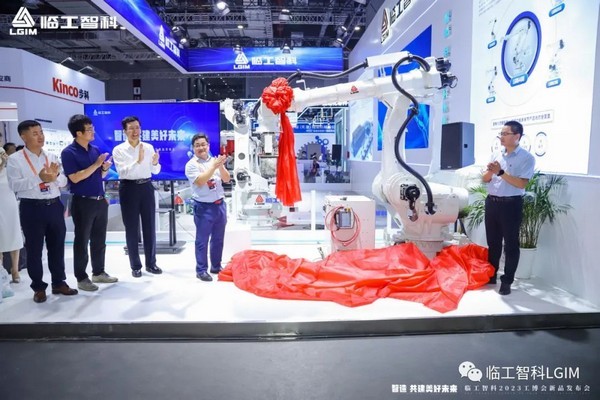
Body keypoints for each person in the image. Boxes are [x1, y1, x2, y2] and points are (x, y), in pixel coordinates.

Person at [6, 120, 78, 303]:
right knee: (34, 250)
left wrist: (55, 177)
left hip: (54, 205)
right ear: (24, 137)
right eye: (35, 133)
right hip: (32, 208)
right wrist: (39, 178)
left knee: (57, 247)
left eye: (41, 132)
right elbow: (14, 185)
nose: (40, 136)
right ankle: (38, 287)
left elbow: (63, 182)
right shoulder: (15, 159)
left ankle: (59, 282)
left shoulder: (51, 156)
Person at [61, 114, 118, 292]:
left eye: (92, 128)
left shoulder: (94, 150)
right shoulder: (68, 153)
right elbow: (75, 178)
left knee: (99, 239)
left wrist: (104, 168)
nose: (93, 132)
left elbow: (99, 176)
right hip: (83, 201)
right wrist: (96, 165)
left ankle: (98, 272)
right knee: (82, 240)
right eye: (89, 129)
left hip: (99, 200)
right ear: (78, 133)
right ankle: (81, 277)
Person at [482, 120, 535, 295]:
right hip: (492, 202)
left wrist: (500, 172)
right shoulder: (496, 154)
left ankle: (507, 281)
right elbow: (485, 179)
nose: (501, 137)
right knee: (493, 242)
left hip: (511, 204)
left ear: (517, 136)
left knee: (511, 244)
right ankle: (491, 275)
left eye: (505, 134)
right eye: (501, 134)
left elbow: (521, 184)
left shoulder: (527, 158)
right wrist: (490, 171)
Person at [112, 116, 162, 278]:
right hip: (128, 188)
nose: (135, 131)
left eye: (137, 127)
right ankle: (135, 266)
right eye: (131, 128)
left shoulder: (148, 147)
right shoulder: (119, 150)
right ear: (125, 131)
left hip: (146, 187)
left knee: (150, 226)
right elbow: (122, 172)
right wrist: (138, 161)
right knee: (132, 228)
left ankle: (151, 263)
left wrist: (155, 163)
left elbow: (155, 171)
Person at [185, 134, 230, 282]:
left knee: (218, 239)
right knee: (202, 240)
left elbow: (226, 179)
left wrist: (220, 166)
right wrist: (214, 166)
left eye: (203, 144)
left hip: (220, 205)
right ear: (193, 148)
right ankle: (201, 270)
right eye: (197, 145)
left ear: (208, 145)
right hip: (203, 207)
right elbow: (201, 181)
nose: (201, 147)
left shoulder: (215, 161)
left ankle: (216, 266)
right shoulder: (191, 165)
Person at [0, 146, 23, 283]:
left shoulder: (4, 153)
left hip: (8, 195)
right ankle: (1, 271)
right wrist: (3, 163)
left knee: (13, 231)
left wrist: (7, 161)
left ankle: (15, 270)